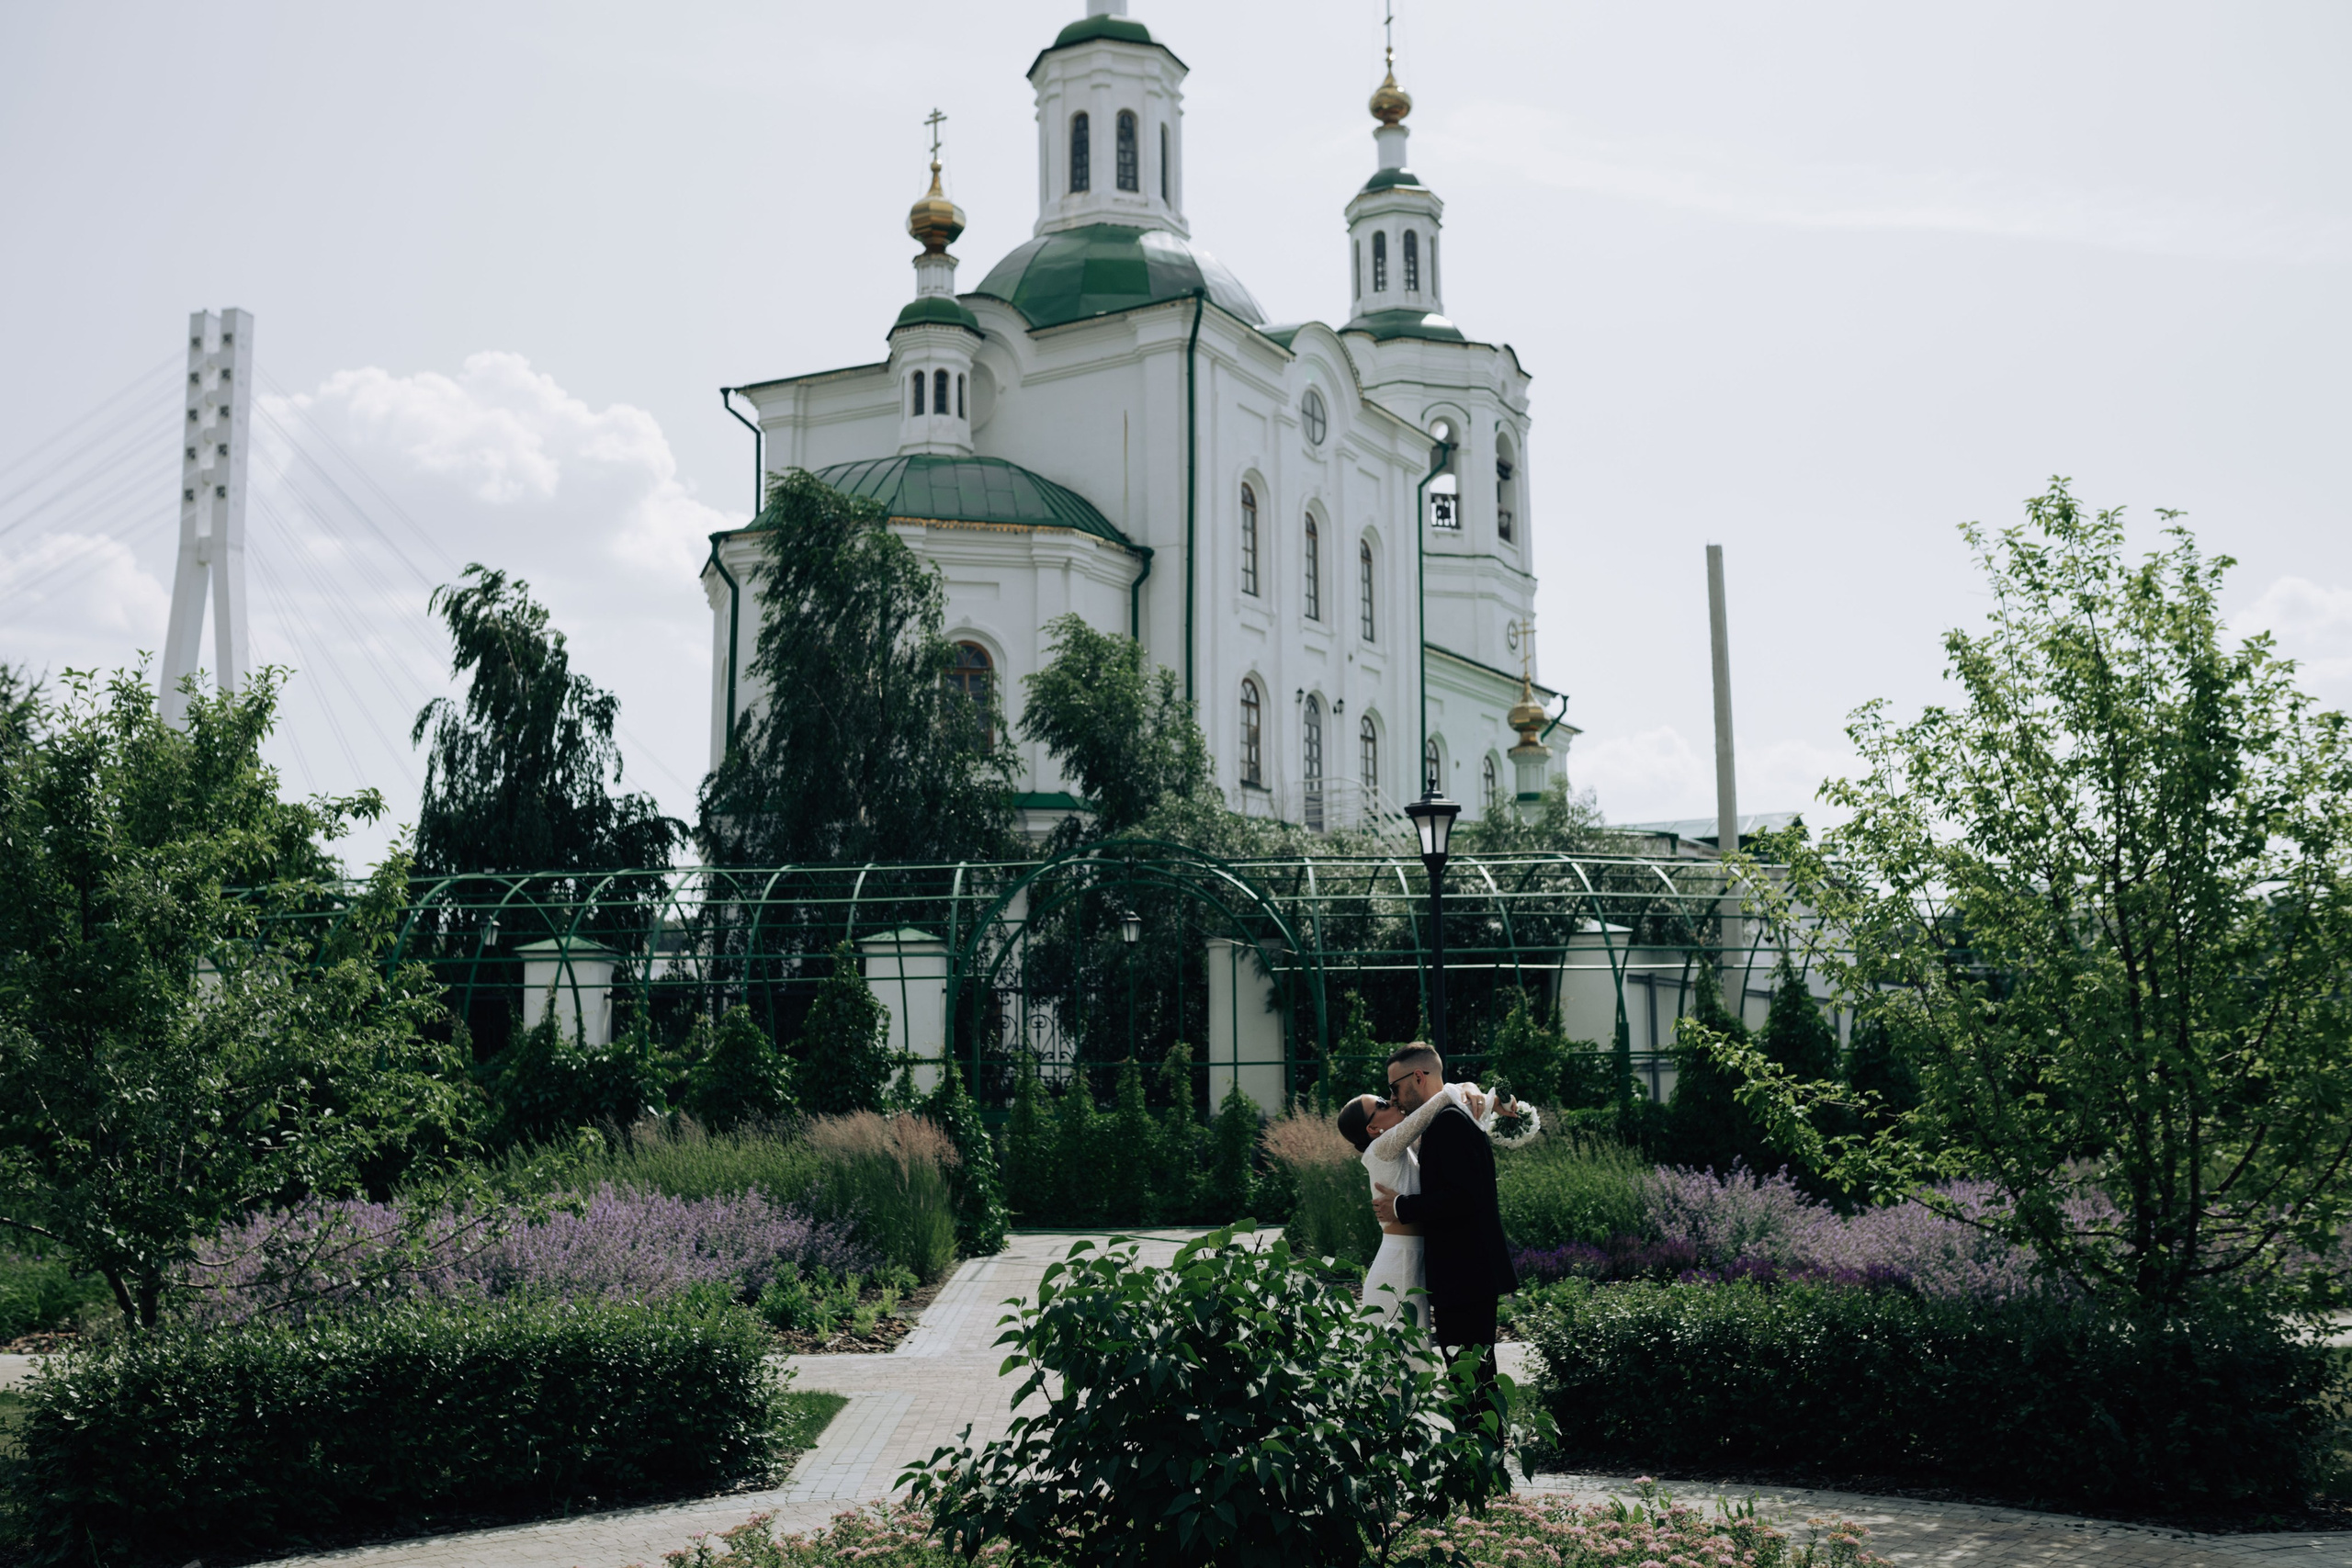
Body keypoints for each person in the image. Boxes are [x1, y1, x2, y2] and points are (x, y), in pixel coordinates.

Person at [1373, 1043, 1520, 1389]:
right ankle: (1485, 1441)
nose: (1393, 1098)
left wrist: (1401, 1207)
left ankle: (1484, 1443)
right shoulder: (1454, 1116)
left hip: (1465, 1274)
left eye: (1394, 1087)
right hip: (1469, 1273)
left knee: (1470, 1379)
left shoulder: (1448, 1123)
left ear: (1419, 1077)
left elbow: (1463, 1197)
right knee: (1473, 1375)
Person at [1337, 1077, 1490, 1331]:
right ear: (1373, 1128)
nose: (1392, 1101)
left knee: (1412, 1355)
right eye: (1383, 1104)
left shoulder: (1401, 1148)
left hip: (1413, 1259)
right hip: (1399, 1264)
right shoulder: (1381, 1148)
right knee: (1403, 1355)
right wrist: (1464, 1087)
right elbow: (1437, 1103)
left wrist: (1477, 1093)